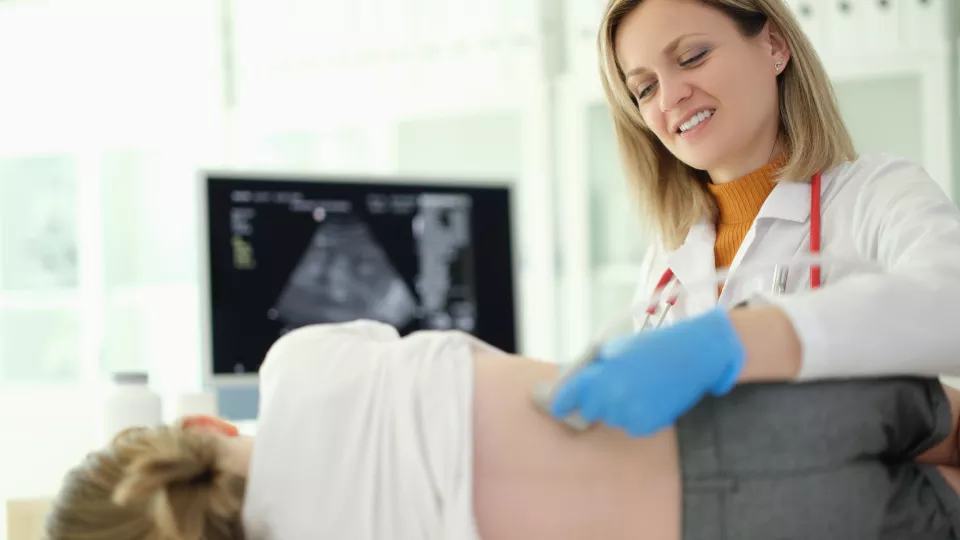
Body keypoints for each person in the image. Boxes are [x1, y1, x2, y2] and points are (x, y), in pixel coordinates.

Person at [43, 321, 960, 540]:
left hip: (756, 532)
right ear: (200, 425)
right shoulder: (300, 362)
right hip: (729, 407)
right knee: (945, 413)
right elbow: (475, 357)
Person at [549, 0, 960, 438]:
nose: (670, 97)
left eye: (692, 57)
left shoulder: (877, 194)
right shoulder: (666, 261)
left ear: (774, 46)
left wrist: (751, 338)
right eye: (645, 88)